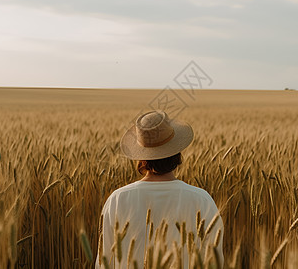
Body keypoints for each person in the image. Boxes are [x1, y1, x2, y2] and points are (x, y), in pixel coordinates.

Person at [96, 110, 224, 268]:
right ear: (177, 153)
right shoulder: (201, 200)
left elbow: (105, 261)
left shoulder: (117, 199)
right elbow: (214, 260)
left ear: (141, 156)